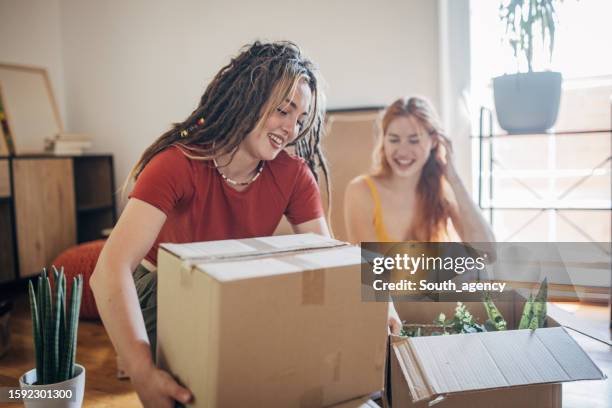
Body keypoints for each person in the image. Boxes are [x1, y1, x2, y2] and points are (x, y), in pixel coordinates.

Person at [90, 41, 331, 408]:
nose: (291, 129)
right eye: (284, 110)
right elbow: (109, 270)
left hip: (231, 287)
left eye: (300, 119)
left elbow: (327, 257)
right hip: (162, 287)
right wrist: (141, 370)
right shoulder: (178, 163)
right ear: (248, 98)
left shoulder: (294, 175)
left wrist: (379, 303)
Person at [344, 97, 496, 331]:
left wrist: (453, 177)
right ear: (383, 141)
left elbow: (488, 251)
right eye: (393, 139)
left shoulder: (441, 190)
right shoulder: (361, 191)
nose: (402, 151)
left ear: (435, 141)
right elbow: (370, 271)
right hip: (388, 308)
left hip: (436, 308)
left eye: (414, 140)